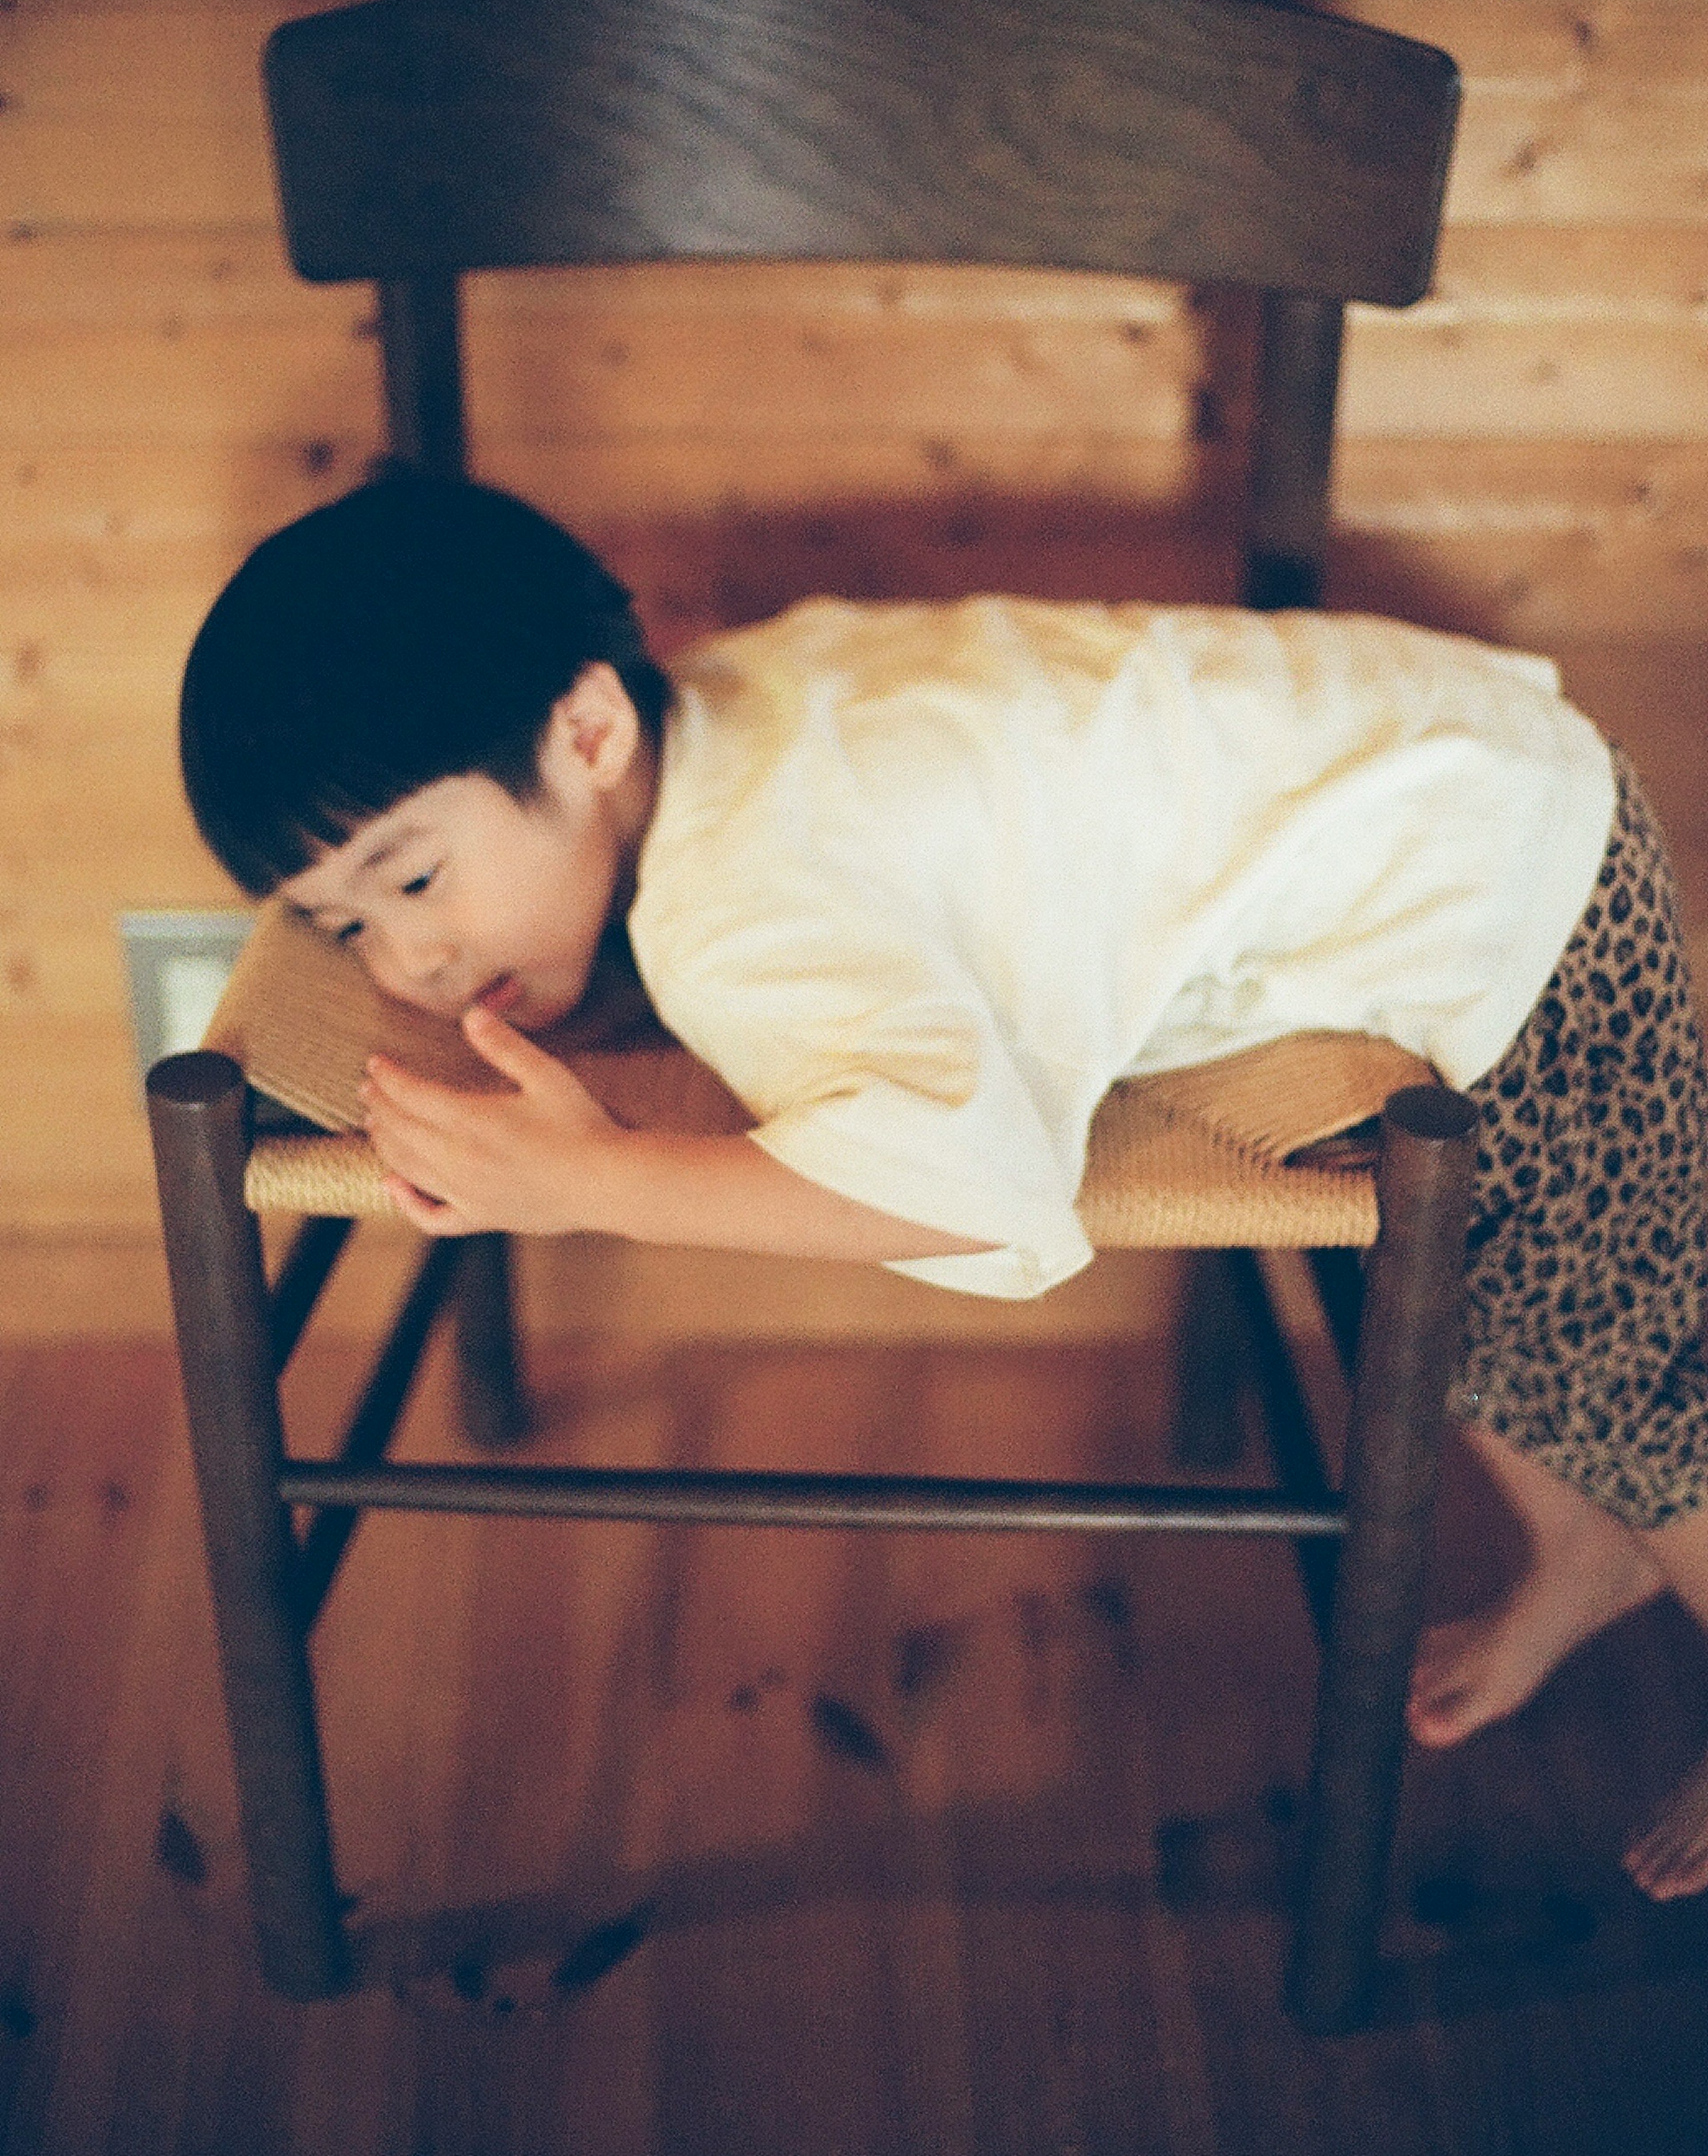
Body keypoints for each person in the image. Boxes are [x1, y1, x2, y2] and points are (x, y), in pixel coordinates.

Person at [180, 472, 1708, 1898]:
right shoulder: (718, 692)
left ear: (589, 736)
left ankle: (1636, 1523)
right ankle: (1588, 1550)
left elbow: (987, 1192)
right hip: (1429, 768)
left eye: (417, 877)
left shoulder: (735, 916)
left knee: (1625, 1369)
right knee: (1497, 1324)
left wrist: (603, 1177)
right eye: (340, 921)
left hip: (1508, 883)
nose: (409, 962)